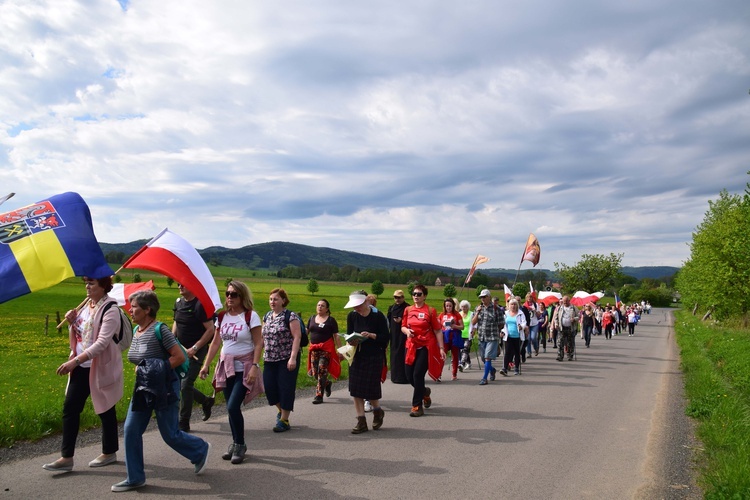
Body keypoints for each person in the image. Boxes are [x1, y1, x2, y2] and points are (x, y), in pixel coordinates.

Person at [112, 290, 210, 492]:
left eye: (135, 307)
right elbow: (141, 359)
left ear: (148, 309)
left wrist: (154, 368)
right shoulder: (137, 330)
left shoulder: (160, 330)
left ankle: (200, 449)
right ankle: (135, 478)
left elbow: (179, 357)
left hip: (164, 387)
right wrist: (142, 367)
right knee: (131, 430)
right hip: (143, 387)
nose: (130, 310)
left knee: (170, 434)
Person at [43, 276, 123, 473]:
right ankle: (66, 457)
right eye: (86, 283)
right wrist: (72, 322)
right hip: (80, 366)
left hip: (99, 367)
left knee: (105, 409)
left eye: (91, 284)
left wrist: (74, 362)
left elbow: (102, 343)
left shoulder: (111, 310)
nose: (87, 287)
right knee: (70, 408)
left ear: (103, 287)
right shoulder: (86, 307)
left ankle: (109, 452)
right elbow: (81, 334)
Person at [200, 281, 263, 465]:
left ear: (242, 296)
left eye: (233, 294)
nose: (229, 297)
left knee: (232, 407)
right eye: (227, 293)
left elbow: (258, 343)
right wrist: (206, 365)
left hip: (244, 368)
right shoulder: (221, 317)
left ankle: (240, 444)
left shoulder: (251, 316)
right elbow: (215, 343)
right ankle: (235, 443)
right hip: (226, 368)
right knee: (230, 406)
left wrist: (255, 366)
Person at [344, 292, 389, 433]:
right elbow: (348, 334)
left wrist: (370, 335)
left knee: (371, 388)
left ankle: (377, 411)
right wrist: (351, 340)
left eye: (358, 306)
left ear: (365, 303)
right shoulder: (352, 316)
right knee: (355, 389)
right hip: (357, 355)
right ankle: (361, 421)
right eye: (354, 306)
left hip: (374, 356)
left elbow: (385, 338)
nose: (356, 309)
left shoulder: (378, 316)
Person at [173, 283, 216, 433]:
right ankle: (206, 401)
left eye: (183, 284)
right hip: (180, 350)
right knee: (181, 385)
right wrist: (172, 341)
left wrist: (195, 348)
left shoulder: (199, 305)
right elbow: (176, 322)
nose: (180, 286)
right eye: (178, 283)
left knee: (185, 384)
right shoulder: (178, 303)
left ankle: (183, 422)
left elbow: (210, 330)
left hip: (197, 351)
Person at [401, 284, 445, 416]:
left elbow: (437, 330)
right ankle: (425, 392)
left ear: (424, 296)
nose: (416, 296)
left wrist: (441, 347)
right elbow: (402, 326)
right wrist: (407, 331)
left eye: (419, 294)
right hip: (411, 345)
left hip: (426, 345)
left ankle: (417, 406)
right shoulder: (408, 310)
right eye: (414, 294)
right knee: (409, 376)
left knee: (418, 375)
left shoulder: (430, 311)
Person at [262, 288, 302, 432]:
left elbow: (297, 337)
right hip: (269, 358)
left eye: (276, 299)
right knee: (269, 388)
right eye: (271, 299)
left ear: (283, 301)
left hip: (286, 358)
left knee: (285, 388)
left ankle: (284, 420)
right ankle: (281, 411)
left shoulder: (290, 316)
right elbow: (262, 338)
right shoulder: (266, 316)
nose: (272, 302)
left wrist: (293, 358)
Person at [307, 299, 341, 404]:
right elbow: (306, 332)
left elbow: (336, 336)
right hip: (314, 349)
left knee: (322, 370)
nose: (320, 307)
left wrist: (340, 350)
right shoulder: (312, 318)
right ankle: (326, 383)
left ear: (327, 309)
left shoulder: (331, 321)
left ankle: (319, 395)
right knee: (315, 372)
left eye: (322, 305)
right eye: (318, 305)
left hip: (326, 349)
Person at [472, 289, 503, 385]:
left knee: (487, 357)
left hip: (492, 337)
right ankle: (492, 370)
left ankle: (484, 378)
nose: (482, 299)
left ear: (489, 297)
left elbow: (501, 323)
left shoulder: (496, 308)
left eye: (484, 297)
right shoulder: (478, 308)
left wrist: (496, 331)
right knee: (483, 358)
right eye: (481, 297)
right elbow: (473, 322)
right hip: (482, 336)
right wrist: (477, 312)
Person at [387, 290, 410, 384]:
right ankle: (395, 376)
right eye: (395, 297)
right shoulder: (392, 308)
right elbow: (388, 321)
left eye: (399, 297)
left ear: (403, 297)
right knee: (394, 355)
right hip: (394, 335)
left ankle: (405, 377)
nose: (397, 299)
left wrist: (401, 320)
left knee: (403, 355)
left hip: (404, 336)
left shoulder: (408, 307)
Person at [500, 298, 527, 376]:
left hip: (517, 336)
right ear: (509, 305)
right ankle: (504, 368)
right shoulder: (505, 314)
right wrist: (502, 331)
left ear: (517, 305)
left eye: (515, 304)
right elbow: (503, 324)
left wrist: (521, 326)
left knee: (517, 353)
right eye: (511, 304)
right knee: (507, 352)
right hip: (508, 336)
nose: (513, 306)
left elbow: (524, 322)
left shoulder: (521, 313)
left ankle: (516, 368)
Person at [439, 298, 464, 380]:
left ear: (453, 306)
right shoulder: (442, 315)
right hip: (445, 337)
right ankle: (438, 374)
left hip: (454, 337)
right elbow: (437, 325)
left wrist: (455, 326)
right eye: (447, 306)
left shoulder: (457, 314)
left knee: (455, 356)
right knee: (442, 355)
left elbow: (462, 327)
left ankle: (454, 374)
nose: (448, 308)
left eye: (450, 306)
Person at [553, 295, 579, 361]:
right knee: (560, 342)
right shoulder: (560, 308)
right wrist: (556, 323)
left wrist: (574, 319)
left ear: (569, 301)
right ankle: (560, 356)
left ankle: (570, 356)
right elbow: (556, 317)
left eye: (566, 302)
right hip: (562, 327)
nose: (565, 303)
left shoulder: (573, 308)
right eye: (564, 302)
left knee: (570, 343)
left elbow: (579, 316)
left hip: (570, 328)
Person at [458, 300, 475, 372]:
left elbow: (474, 324)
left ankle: (462, 363)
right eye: (462, 306)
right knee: (462, 350)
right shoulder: (459, 314)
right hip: (460, 334)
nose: (463, 308)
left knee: (465, 349)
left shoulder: (471, 314)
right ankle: (468, 362)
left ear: (468, 307)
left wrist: (473, 331)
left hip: (468, 335)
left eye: (465, 307)